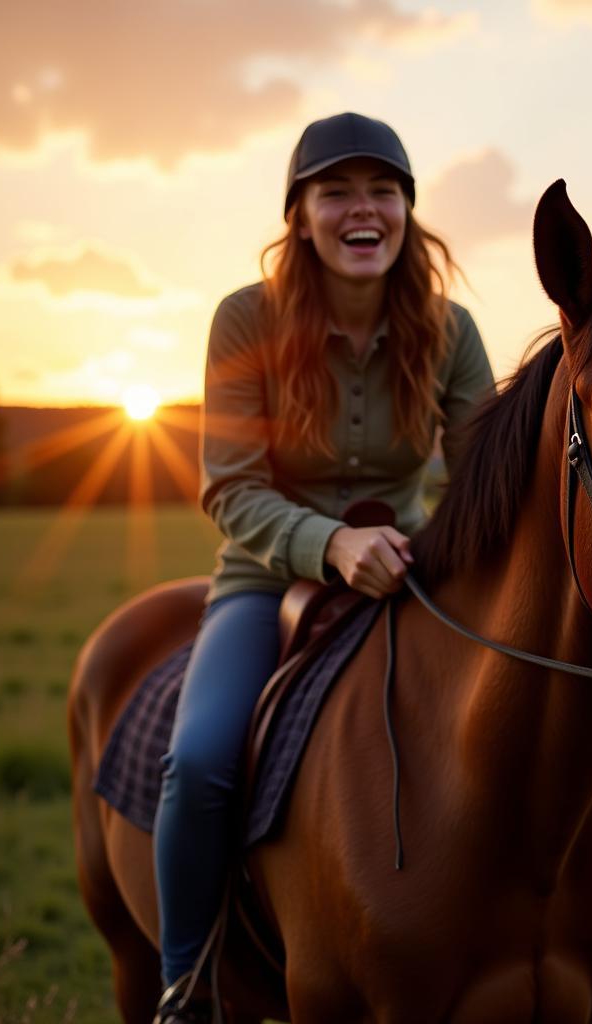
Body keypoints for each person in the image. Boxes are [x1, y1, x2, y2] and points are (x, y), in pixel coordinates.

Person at [151, 112, 495, 1021]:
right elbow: (229, 488)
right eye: (335, 191)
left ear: (407, 212)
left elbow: (486, 482)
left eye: (382, 190)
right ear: (298, 215)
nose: (361, 209)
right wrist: (331, 545)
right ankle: (186, 984)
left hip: (411, 568)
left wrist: (440, 552)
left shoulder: (451, 330)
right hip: (266, 580)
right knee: (198, 761)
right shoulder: (244, 320)